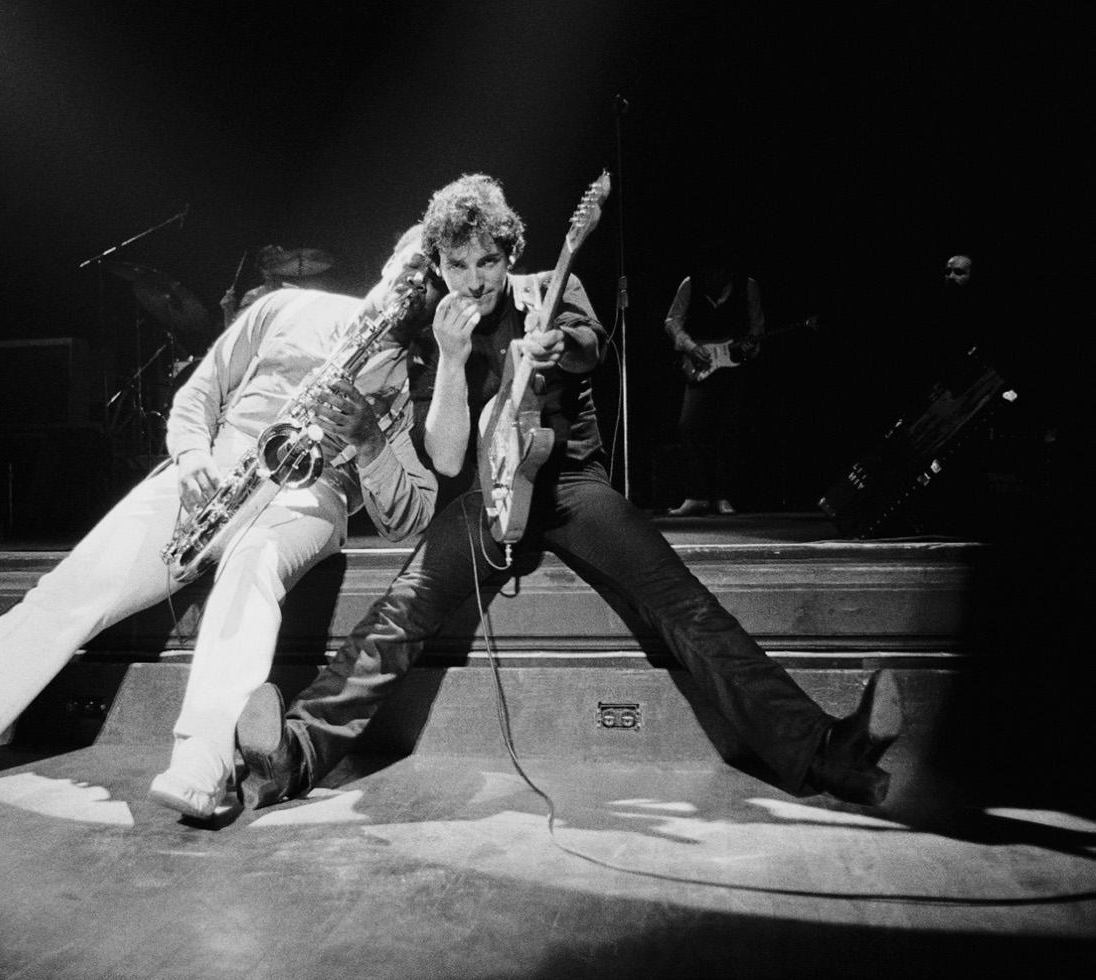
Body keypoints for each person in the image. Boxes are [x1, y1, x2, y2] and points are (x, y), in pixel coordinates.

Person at [237, 174, 904, 812]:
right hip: (482, 498)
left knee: (682, 602)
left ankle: (828, 752)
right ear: (438, 265)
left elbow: (589, 348)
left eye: (488, 262)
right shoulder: (432, 329)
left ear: (510, 254)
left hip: (570, 487)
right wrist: (446, 356)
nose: (475, 280)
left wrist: (556, 344)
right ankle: (289, 757)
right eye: (459, 264)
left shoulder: (549, 292)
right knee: (399, 611)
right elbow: (443, 457)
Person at [0, 237, 439, 820]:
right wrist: (191, 459)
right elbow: (197, 395)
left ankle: (203, 762)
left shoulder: (411, 377)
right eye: (409, 270)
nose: (411, 289)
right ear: (387, 263)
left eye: (425, 285)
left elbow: (404, 516)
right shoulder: (287, 306)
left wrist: (370, 439)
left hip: (311, 493)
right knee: (68, 592)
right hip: (217, 468)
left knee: (252, 574)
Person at [662, 248, 767, 516]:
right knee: (688, 427)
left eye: (717, 273)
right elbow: (672, 321)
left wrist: (749, 348)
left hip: (732, 366)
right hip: (699, 364)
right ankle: (695, 495)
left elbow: (757, 328)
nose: (711, 278)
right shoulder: (690, 285)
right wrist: (690, 346)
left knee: (728, 430)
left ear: (728, 272)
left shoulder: (748, 287)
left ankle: (723, 495)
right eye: (707, 273)